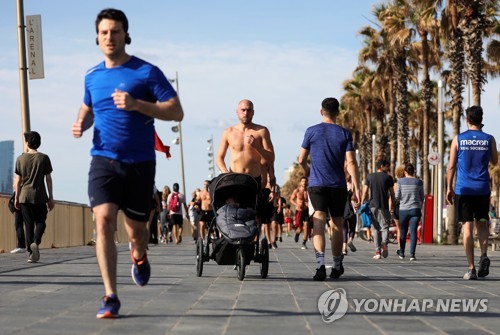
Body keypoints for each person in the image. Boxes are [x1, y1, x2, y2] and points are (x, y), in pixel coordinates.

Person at [71, 8, 183, 318]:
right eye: (104, 32)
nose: (110, 37)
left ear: (125, 35)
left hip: (140, 163)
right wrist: (81, 122)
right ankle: (110, 296)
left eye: (115, 31)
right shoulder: (92, 76)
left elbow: (176, 111)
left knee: (136, 232)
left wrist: (137, 104)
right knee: (103, 220)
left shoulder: (146, 72)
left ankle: (139, 255)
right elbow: (88, 107)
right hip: (103, 159)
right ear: (97, 37)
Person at [298, 97, 360, 281]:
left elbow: (301, 159)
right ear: (338, 112)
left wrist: (308, 171)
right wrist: (356, 186)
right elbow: (351, 162)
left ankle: (319, 267)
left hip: (316, 185)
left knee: (318, 221)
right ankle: (337, 265)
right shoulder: (344, 133)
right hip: (338, 186)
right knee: (337, 225)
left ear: (321, 111)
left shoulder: (311, 131)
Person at [216, 99, 276, 257]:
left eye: (249, 110)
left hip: (253, 180)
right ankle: (230, 241)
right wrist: (225, 172)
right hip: (234, 180)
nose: (246, 113)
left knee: (253, 214)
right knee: (230, 211)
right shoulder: (229, 132)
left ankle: (252, 245)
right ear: (237, 112)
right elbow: (219, 158)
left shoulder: (261, 131)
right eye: (243, 110)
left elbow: (270, 157)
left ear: (253, 112)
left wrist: (256, 146)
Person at [446, 105, 498, 280]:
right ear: (481, 119)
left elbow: (451, 166)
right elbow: (494, 160)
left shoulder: (458, 139)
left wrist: (448, 188)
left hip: (464, 190)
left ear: (467, 120)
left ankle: (471, 268)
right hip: (482, 190)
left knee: (467, 227)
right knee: (482, 223)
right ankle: (484, 254)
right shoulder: (489, 139)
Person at [14, 131, 54, 263]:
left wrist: (16, 198)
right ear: (39, 143)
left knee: (28, 224)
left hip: (25, 196)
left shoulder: (20, 159)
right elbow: (48, 179)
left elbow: (18, 181)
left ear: (27, 143)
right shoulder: (44, 158)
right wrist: (51, 197)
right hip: (40, 196)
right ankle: (36, 242)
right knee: (41, 222)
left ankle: (31, 254)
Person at [361, 159, 395, 260]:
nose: (388, 168)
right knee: (384, 227)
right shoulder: (388, 178)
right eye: (387, 166)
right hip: (383, 206)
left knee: (375, 228)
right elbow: (392, 194)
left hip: (372, 205)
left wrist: (362, 202)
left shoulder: (370, 176)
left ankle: (377, 252)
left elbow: (365, 191)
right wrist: (391, 206)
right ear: (382, 166)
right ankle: (384, 241)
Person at [395, 163, 424, 261]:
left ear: (405, 172)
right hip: (415, 209)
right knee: (413, 232)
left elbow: (397, 197)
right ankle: (412, 254)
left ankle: (402, 253)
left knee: (402, 231)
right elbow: (422, 197)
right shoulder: (419, 182)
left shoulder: (400, 182)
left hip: (403, 210)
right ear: (413, 171)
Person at [290, 176, 310, 249]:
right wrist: (297, 204)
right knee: (300, 228)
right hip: (299, 211)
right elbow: (291, 199)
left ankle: (304, 243)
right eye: (303, 181)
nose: (304, 182)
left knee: (306, 226)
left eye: (305, 181)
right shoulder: (297, 191)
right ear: (300, 182)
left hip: (306, 211)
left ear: (307, 182)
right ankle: (297, 233)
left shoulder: (309, 191)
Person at [342, 173, 358, 255]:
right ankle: (350, 240)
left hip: (342, 210)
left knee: (344, 229)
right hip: (351, 210)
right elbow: (355, 198)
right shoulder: (352, 186)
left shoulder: (341, 186)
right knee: (352, 227)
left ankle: (344, 248)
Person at [9, 184, 27, 254]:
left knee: (18, 224)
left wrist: (16, 197)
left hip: (21, 197)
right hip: (29, 197)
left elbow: (17, 183)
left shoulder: (20, 173)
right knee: (29, 223)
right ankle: (33, 243)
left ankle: (21, 246)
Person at [393, 165, 405, 249]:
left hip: (396, 207)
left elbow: (391, 197)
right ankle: (402, 247)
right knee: (403, 228)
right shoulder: (405, 184)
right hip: (404, 206)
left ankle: (400, 248)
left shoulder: (394, 184)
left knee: (399, 229)